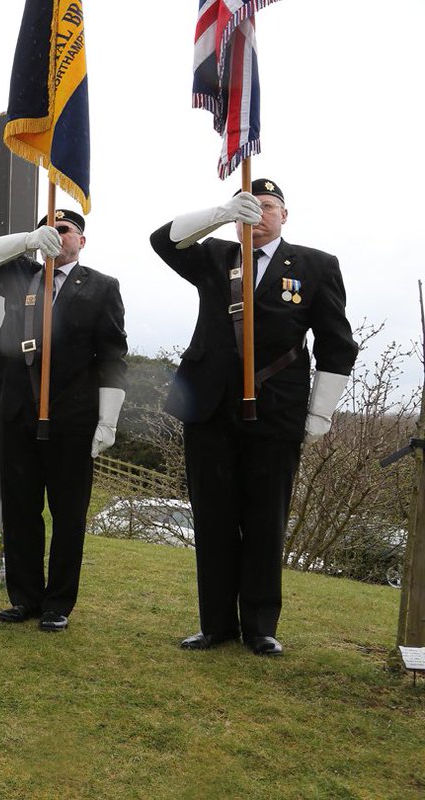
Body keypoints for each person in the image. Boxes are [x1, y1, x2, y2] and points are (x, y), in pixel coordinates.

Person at [151, 178, 358, 657]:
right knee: (213, 517)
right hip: (207, 406)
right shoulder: (217, 256)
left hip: (277, 408)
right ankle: (215, 624)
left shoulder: (315, 265)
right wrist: (222, 212)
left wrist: (321, 411)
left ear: (286, 215)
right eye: (252, 204)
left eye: (269, 206)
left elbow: (336, 342)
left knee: (266, 519)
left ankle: (261, 626)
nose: (260, 212)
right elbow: (163, 240)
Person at [0, 210, 129, 632]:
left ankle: (57, 604)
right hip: (17, 410)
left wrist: (107, 421)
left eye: (64, 230)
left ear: (81, 241)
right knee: (20, 509)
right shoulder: (22, 275)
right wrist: (26, 240)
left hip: (72, 417)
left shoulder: (102, 287)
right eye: (49, 230)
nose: (57, 235)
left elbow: (112, 357)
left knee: (69, 514)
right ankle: (24, 598)